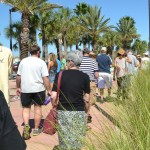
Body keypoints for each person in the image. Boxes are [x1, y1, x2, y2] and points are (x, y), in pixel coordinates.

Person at [51, 50, 90, 150]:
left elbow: (53, 96)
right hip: (79, 111)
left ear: (71, 62)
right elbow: (87, 98)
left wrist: (54, 106)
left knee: (64, 139)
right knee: (77, 140)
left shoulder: (59, 75)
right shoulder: (85, 77)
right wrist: (86, 111)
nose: (67, 62)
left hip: (63, 111)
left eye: (67, 60)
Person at [16, 44, 51, 140]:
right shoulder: (41, 62)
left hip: (25, 89)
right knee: (38, 108)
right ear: (38, 52)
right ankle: (36, 129)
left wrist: (18, 87)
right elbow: (45, 78)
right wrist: (49, 90)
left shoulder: (23, 61)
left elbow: (18, 76)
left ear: (30, 52)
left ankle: (26, 126)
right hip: (39, 89)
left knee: (26, 108)